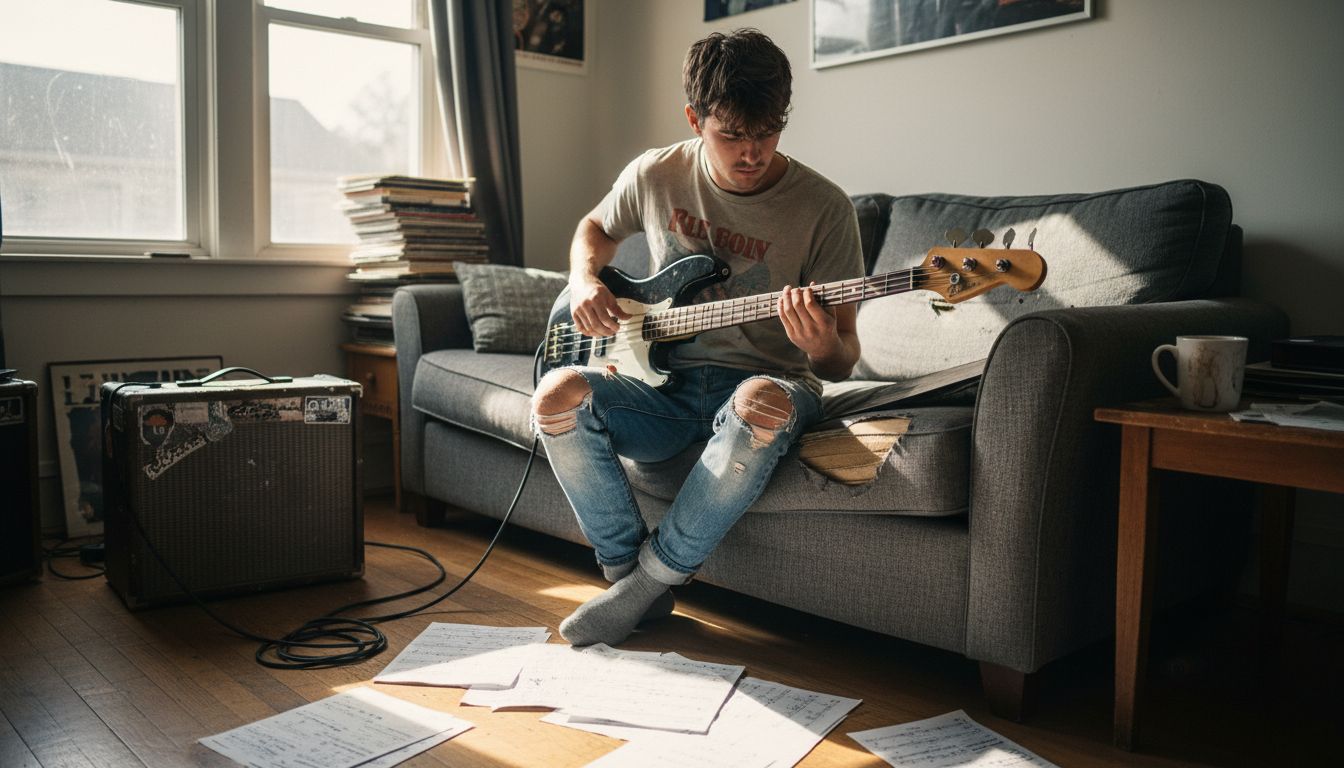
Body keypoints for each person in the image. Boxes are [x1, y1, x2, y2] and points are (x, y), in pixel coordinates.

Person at [531, 28, 864, 647]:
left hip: (768, 384)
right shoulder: (657, 173)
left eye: (767, 132)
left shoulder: (825, 208)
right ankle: (622, 569)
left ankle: (641, 588)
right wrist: (582, 281)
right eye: (732, 134)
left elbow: (844, 360)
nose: (752, 153)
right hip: (664, 387)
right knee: (554, 397)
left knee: (759, 404)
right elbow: (595, 228)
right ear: (695, 118)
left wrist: (820, 344)